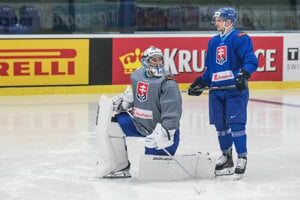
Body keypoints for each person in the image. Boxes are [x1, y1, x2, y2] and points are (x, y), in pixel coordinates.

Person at [188, 7, 258, 176]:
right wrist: (201, 82)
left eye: (219, 20)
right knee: (220, 126)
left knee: (236, 125)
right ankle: (227, 156)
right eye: (216, 20)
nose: (216, 23)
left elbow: (251, 59)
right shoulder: (212, 42)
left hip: (235, 90)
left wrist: (244, 74)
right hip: (216, 91)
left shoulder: (240, 38)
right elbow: (210, 68)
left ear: (228, 21)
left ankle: (242, 157)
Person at [96, 46, 182, 178]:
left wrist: (166, 132)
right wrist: (128, 102)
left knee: (152, 174)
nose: (158, 63)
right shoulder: (137, 76)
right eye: (154, 60)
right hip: (139, 124)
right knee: (113, 125)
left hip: (160, 133)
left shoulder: (167, 82)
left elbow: (172, 110)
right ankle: (120, 166)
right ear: (145, 62)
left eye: (160, 60)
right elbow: (142, 98)